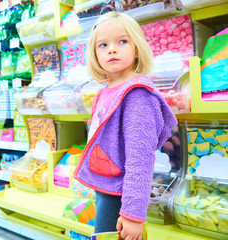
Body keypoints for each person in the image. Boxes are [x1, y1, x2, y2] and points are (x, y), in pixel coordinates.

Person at [73, 11, 177, 240]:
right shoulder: (105, 92)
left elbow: (140, 159)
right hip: (107, 190)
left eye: (122, 41)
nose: (112, 49)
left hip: (121, 196)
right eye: (103, 45)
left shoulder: (137, 95)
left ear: (137, 48)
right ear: (94, 53)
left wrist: (132, 214)